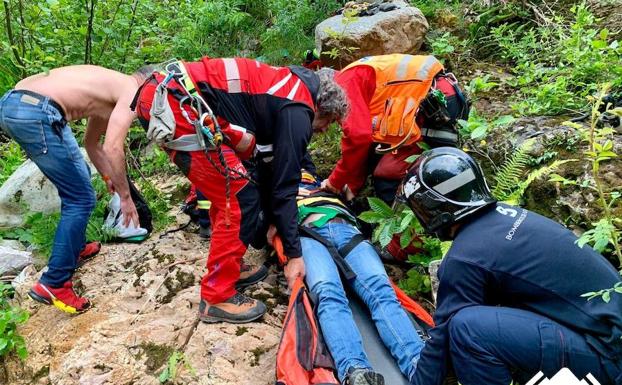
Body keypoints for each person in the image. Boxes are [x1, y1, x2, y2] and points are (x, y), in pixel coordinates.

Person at [131, 58, 348, 324]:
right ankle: (216, 296)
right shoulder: (298, 109)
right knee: (239, 199)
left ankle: (229, 267)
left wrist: (271, 222)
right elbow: (285, 187)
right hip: (177, 105)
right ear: (322, 109)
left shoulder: (288, 88)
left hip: (171, 97)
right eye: (329, 123)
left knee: (230, 191)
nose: (325, 130)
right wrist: (294, 255)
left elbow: (268, 169)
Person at [398, 147, 622, 385]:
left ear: (434, 207)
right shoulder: (508, 216)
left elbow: (441, 337)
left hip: (606, 354)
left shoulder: (465, 257)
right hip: (604, 335)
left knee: (467, 329)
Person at [0, 65, 152, 313]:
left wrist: (108, 178)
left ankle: (74, 246)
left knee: (80, 190)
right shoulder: (133, 90)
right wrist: (126, 198)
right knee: (80, 199)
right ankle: (54, 282)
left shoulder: (111, 88)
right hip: (37, 111)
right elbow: (113, 148)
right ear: (149, 82)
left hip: (17, 104)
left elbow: (92, 144)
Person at [270, 168, 425, 385]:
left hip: (346, 229)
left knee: (381, 290)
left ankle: (419, 364)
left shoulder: (327, 184)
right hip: (306, 234)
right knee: (328, 292)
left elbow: (354, 199)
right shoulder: (278, 190)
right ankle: (356, 370)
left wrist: (345, 192)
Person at [322, 54, 469, 204]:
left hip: (434, 109)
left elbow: (358, 137)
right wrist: (352, 185)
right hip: (443, 100)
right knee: (445, 168)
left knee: (387, 175)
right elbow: (366, 144)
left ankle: (401, 222)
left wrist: (335, 182)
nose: (325, 127)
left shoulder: (343, 85)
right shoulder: (356, 74)